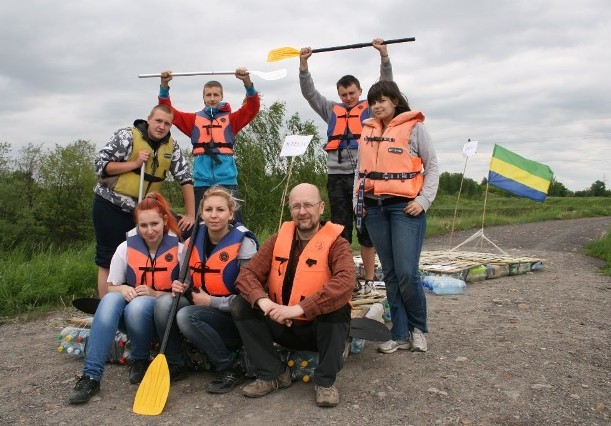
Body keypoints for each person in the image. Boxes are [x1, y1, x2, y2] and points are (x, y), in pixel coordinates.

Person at [230, 183, 355, 408]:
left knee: (338, 306)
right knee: (240, 304)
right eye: (296, 206)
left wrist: (300, 308)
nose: (302, 211)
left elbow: (345, 282)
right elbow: (246, 275)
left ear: (321, 208)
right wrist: (266, 303)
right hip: (282, 324)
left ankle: (325, 382)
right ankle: (275, 374)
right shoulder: (278, 239)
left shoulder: (338, 244)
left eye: (308, 205)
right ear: (290, 210)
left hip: (318, 329)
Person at [69, 193, 185, 404]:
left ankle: (139, 358)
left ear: (165, 222)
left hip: (163, 311)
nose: (149, 231)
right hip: (133, 311)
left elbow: (188, 295)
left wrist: (155, 293)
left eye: (154, 224)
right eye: (143, 225)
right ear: (137, 226)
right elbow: (111, 286)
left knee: (137, 306)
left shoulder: (180, 250)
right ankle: (91, 376)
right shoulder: (125, 248)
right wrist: (122, 289)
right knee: (109, 300)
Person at [353, 80, 439, 354]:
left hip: (405, 208)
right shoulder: (367, 131)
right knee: (389, 274)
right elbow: (360, 170)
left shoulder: (415, 128)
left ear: (395, 101)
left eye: (383, 100)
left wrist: (423, 201)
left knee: (406, 273)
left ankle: (418, 329)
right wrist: (359, 202)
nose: (377, 106)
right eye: (373, 102)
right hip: (374, 208)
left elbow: (433, 166)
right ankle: (399, 333)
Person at [298, 37, 392, 285]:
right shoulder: (330, 110)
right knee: (340, 229)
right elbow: (309, 93)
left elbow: (387, 84)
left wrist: (383, 56)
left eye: (352, 93)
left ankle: (370, 279)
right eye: (344, 94)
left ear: (360, 92)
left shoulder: (371, 109)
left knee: (366, 230)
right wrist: (303, 65)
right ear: (338, 95)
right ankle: (346, 279)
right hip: (337, 177)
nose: (348, 98)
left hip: (364, 178)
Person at [154, 186, 259, 388]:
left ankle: (229, 367)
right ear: (201, 213)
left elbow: (249, 297)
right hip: (202, 311)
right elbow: (187, 279)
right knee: (165, 302)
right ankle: (177, 362)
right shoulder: (192, 240)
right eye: (208, 210)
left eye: (220, 210)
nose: (214, 216)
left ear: (231, 214)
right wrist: (181, 285)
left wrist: (211, 301)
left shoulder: (244, 244)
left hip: (234, 319)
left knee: (187, 316)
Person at [93, 104, 195, 298]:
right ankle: (105, 306)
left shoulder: (171, 146)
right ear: (148, 119)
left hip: (144, 211)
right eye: (158, 121)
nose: (161, 126)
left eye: (167, 123)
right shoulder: (126, 137)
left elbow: (186, 178)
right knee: (108, 258)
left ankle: (165, 296)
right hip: (111, 205)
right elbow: (100, 166)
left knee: (188, 232)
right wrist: (135, 163)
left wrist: (190, 214)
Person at [158, 67, 260, 223]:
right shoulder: (193, 121)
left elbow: (252, 108)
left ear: (221, 97)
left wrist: (247, 82)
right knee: (201, 226)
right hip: (202, 183)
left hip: (227, 182)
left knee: (235, 225)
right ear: (203, 98)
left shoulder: (232, 120)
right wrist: (164, 86)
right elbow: (168, 111)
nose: (212, 98)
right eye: (209, 95)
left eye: (216, 95)